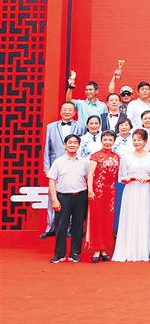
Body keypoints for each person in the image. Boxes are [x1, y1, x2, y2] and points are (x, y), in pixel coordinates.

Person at [42, 102, 86, 239]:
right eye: (65, 110)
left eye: (70, 110)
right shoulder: (51, 127)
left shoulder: (81, 127)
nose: (67, 112)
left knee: (72, 197)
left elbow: (82, 148)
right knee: (53, 197)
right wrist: (47, 168)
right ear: (60, 112)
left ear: (74, 112)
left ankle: (68, 228)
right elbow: (46, 148)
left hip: (74, 164)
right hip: (56, 165)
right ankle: (50, 227)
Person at [112, 129, 150, 262]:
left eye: (139, 140)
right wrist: (130, 179)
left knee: (145, 217)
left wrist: (149, 178)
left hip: (147, 190)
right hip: (131, 190)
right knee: (131, 217)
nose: (136, 142)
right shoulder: (126, 157)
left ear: (145, 141)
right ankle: (129, 250)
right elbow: (121, 177)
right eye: (134, 140)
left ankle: (144, 250)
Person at [47, 134, 89, 263]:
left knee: (78, 225)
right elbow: (52, 181)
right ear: (64, 145)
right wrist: (54, 199)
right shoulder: (58, 162)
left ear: (79, 145)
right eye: (70, 142)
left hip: (80, 196)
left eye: (75, 142)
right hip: (63, 197)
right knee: (61, 226)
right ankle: (59, 254)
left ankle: (74, 253)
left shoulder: (84, 162)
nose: (72, 145)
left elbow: (89, 179)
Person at [85, 131, 120, 262]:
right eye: (105, 139)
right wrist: (90, 190)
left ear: (114, 141)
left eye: (110, 140)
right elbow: (90, 174)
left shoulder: (117, 157)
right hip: (97, 190)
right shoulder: (95, 156)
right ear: (101, 140)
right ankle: (96, 249)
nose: (107, 142)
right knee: (97, 219)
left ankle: (104, 249)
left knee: (107, 219)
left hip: (110, 191)